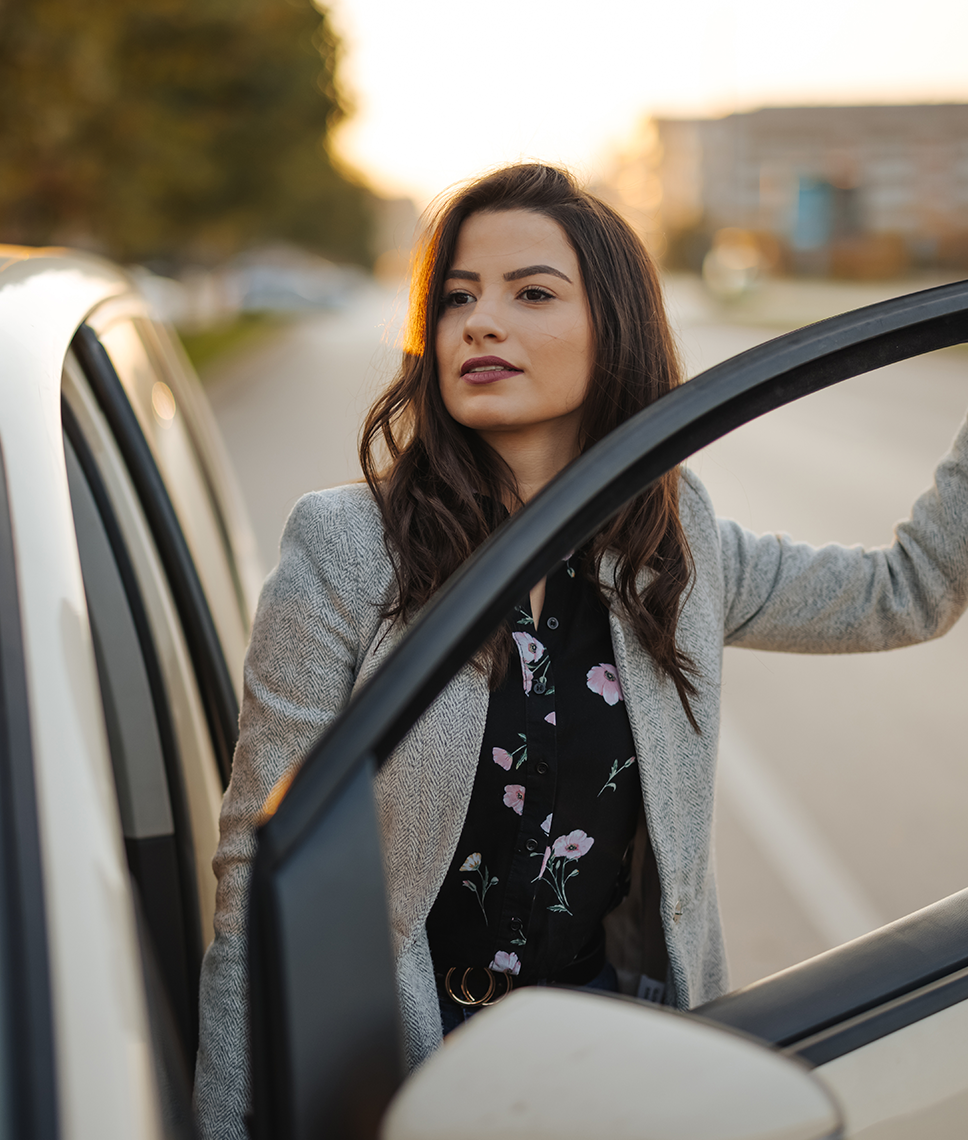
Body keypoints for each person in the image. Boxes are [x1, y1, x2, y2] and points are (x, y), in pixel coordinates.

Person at [194, 163, 968, 1138]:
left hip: (617, 1068)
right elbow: (252, 873)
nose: (480, 322)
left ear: (617, 329)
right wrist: (225, 1126)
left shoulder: (671, 547)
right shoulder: (346, 551)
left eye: (532, 294)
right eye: (457, 298)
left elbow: (905, 594)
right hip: (407, 1068)